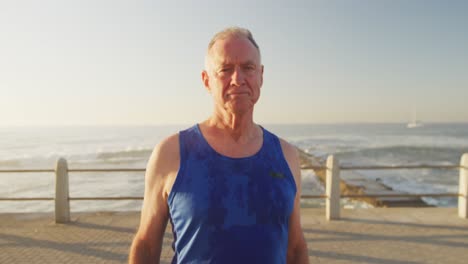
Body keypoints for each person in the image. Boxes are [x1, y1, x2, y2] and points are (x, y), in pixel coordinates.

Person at [129, 27, 309, 264]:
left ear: (261, 76)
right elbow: (146, 245)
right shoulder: (171, 153)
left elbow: (295, 248)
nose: (238, 79)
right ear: (206, 80)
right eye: (225, 69)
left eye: (248, 68)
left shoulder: (286, 155)